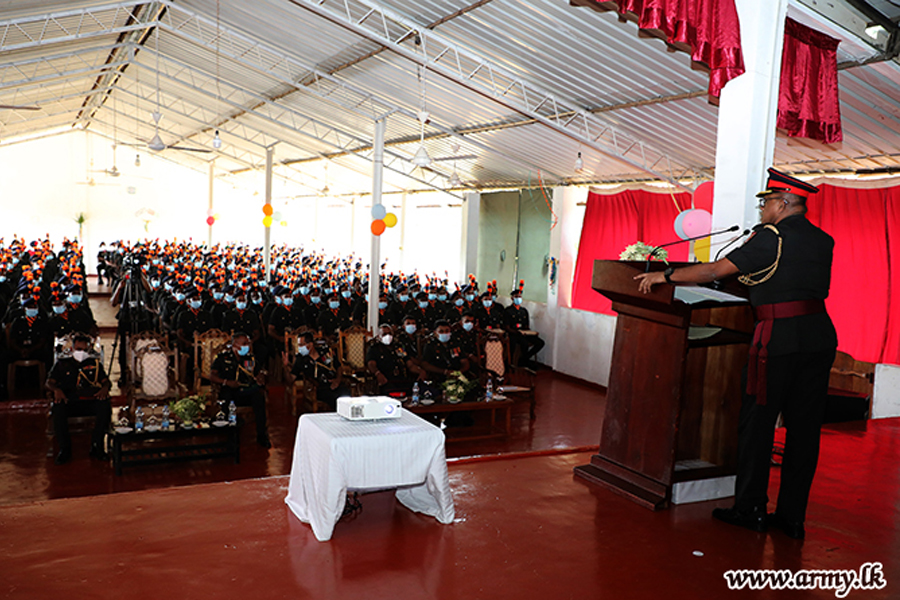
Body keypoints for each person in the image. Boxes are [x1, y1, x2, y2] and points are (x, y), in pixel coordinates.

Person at [635, 168, 837, 539]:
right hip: (818, 336)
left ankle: (750, 508)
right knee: (805, 431)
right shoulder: (822, 239)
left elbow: (717, 269)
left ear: (784, 203)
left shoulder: (771, 237)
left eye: (766, 203)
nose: (761, 210)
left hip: (777, 339)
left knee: (757, 425)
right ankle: (792, 517)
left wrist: (665, 276)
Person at [46, 333, 111, 464]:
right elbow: (49, 382)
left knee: (105, 405)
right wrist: (56, 390)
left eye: (84, 350)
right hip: (69, 400)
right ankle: (65, 449)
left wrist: (105, 388)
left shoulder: (94, 364)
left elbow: (106, 381)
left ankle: (96, 445)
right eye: (78, 350)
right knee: (58, 407)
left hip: (88, 400)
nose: (81, 353)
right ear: (72, 349)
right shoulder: (62, 364)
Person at [209, 332, 271, 448]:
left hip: (246, 390)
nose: (247, 346)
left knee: (259, 397)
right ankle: (229, 436)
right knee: (225, 398)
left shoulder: (250, 358)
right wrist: (226, 382)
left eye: (248, 343)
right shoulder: (223, 358)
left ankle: (262, 435)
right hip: (229, 389)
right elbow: (212, 376)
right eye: (244, 343)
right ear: (235, 345)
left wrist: (261, 377)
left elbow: (259, 372)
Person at [286, 332, 349, 410]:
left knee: (347, 396)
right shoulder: (301, 359)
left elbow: (338, 367)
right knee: (335, 399)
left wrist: (338, 380)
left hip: (335, 382)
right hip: (319, 388)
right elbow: (291, 378)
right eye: (299, 345)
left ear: (310, 344)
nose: (299, 348)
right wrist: (286, 366)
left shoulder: (325, 352)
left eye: (302, 345)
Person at [366, 323, 426, 394]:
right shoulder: (374, 348)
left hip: (402, 379)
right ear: (379, 336)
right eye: (384, 334)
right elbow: (371, 364)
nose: (388, 336)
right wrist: (377, 373)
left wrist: (421, 371)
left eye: (390, 333)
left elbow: (409, 364)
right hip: (386, 380)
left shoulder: (398, 347)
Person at [504, 287, 545, 368]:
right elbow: (507, 327)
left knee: (540, 343)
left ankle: (524, 359)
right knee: (524, 343)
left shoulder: (524, 311)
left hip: (524, 333)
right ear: (512, 298)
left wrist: (530, 333)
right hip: (514, 334)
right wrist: (518, 332)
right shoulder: (508, 311)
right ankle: (516, 363)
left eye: (520, 297)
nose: (518, 299)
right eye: (516, 297)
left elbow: (526, 326)